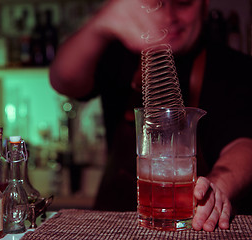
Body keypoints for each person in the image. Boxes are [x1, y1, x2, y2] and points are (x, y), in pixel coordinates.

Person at [49, 0, 252, 232]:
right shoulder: (119, 56)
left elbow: (244, 143)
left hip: (190, 224)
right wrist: (101, 24)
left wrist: (217, 186)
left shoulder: (233, 67)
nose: (169, 16)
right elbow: (62, 78)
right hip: (114, 226)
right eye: (158, 3)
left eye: (183, 3)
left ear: (204, 6)